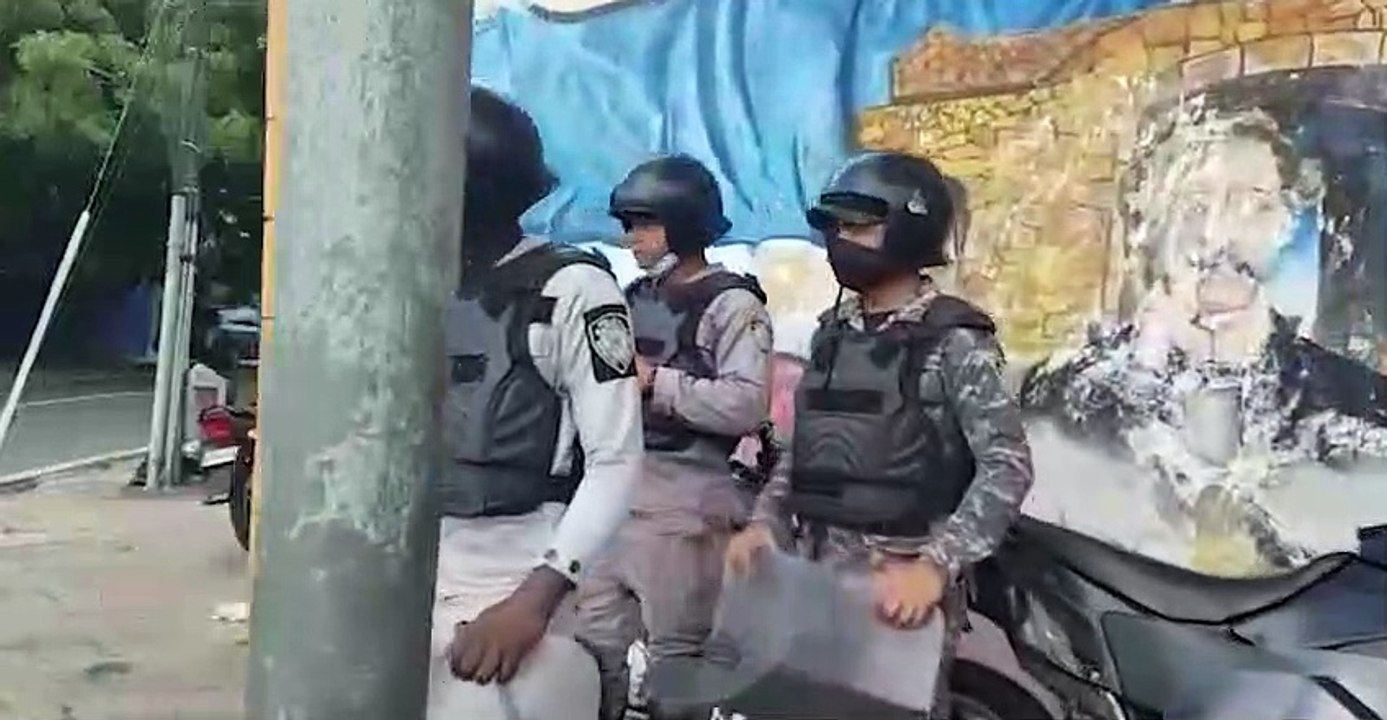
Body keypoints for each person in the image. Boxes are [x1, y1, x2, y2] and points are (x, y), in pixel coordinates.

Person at [724, 151, 1034, 717]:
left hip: (898, 589)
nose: (842, 241)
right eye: (836, 227)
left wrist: (935, 567)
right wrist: (764, 524)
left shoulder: (955, 341)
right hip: (813, 582)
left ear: (910, 228)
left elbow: (1007, 467)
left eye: (859, 226)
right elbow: (803, 451)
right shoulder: (831, 334)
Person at [1020, 109, 1387, 572]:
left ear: (1287, 223)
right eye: (1194, 206)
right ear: (1147, 223)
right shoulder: (1066, 397)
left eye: (1255, 205)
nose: (1219, 234)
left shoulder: (1356, 401)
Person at [427, 86, 644, 720]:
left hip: (518, 570)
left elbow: (616, 460)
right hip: (416, 570)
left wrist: (534, 601)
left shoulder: (573, 288)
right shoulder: (410, 281)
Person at [573, 154, 774, 720]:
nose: (633, 238)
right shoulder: (636, 298)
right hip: (618, 491)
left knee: (677, 665)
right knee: (593, 652)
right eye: (629, 225)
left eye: (645, 224)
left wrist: (655, 381)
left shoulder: (732, 305)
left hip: (687, 499)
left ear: (684, 224)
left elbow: (743, 402)